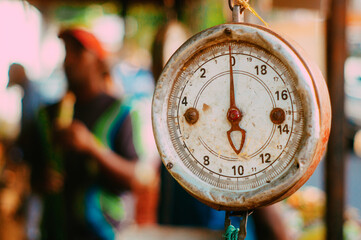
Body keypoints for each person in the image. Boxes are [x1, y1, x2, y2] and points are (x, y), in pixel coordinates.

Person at [33, 28, 139, 240]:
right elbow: (32, 174)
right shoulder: (47, 115)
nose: (68, 61)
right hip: (54, 230)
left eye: (78, 53)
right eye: (66, 52)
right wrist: (41, 180)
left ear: (99, 62)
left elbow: (133, 179)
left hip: (103, 231)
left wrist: (92, 147)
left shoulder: (121, 110)